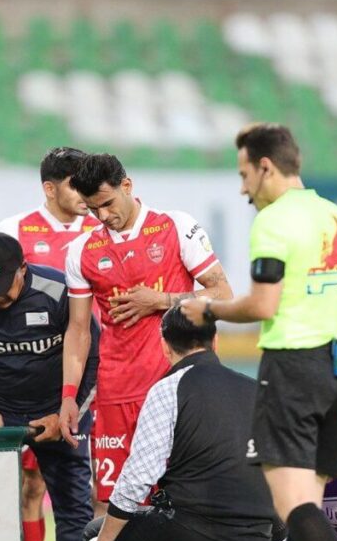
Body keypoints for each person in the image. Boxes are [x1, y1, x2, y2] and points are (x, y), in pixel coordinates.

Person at [179, 123, 337, 541]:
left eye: (244, 174)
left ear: (266, 167)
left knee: (293, 507)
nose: (243, 188)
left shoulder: (273, 222)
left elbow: (262, 304)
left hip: (292, 369)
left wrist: (208, 308)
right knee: (308, 506)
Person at [77, 307, 275, 541]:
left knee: (95, 532)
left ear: (164, 345)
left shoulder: (169, 389)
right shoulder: (257, 390)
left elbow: (137, 479)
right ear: (215, 340)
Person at [58, 153, 233, 507]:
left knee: (184, 498)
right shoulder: (81, 250)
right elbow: (78, 330)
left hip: (178, 387)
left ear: (127, 185)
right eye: (93, 209)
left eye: (108, 203)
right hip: (117, 391)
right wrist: (68, 395)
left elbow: (223, 294)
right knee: (110, 502)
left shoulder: (175, 226)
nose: (102, 216)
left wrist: (161, 300)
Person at [0, 232, 99, 541]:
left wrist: (67, 413)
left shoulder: (59, 291)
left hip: (56, 412)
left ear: (23, 269)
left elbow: (92, 358)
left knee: (74, 509)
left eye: (4, 287)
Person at [0, 146, 98, 541]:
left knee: (99, 489)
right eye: (76, 184)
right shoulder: (15, 230)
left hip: (95, 377)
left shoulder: (101, 226)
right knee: (31, 486)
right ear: (50, 189)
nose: (85, 193)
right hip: (38, 382)